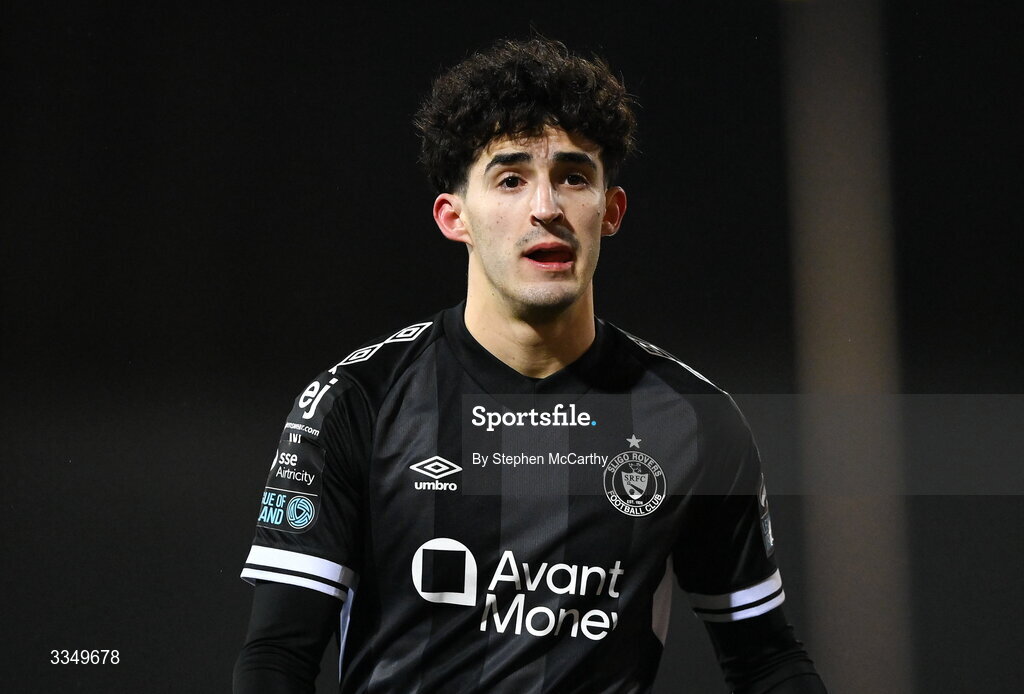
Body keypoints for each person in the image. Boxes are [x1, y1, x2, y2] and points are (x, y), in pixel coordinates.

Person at [234, 37, 827, 694]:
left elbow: (765, 659)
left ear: (611, 212)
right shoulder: (357, 401)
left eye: (573, 177)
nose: (546, 207)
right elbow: (278, 656)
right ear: (454, 216)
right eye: (511, 179)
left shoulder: (694, 420)